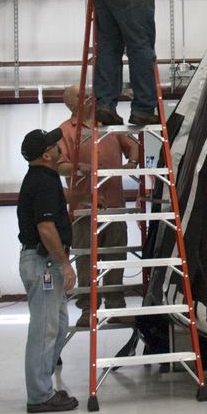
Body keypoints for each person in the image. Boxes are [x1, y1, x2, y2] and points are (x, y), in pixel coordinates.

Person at [57, 84, 140, 325]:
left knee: (116, 257)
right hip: (84, 210)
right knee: (86, 261)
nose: (88, 97)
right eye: (81, 95)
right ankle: (88, 310)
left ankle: (115, 307)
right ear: (71, 104)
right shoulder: (64, 131)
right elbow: (60, 165)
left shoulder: (109, 124)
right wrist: (80, 168)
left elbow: (133, 144)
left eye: (89, 93)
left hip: (114, 205)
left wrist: (132, 161)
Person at [17, 128, 79, 413]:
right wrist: (65, 264)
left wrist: (85, 196)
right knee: (44, 330)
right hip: (44, 263)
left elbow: (60, 196)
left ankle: (44, 387)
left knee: (59, 325)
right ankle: (39, 396)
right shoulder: (41, 181)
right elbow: (45, 227)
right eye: (55, 145)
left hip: (47, 262)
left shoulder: (44, 178)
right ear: (46, 154)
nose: (59, 147)